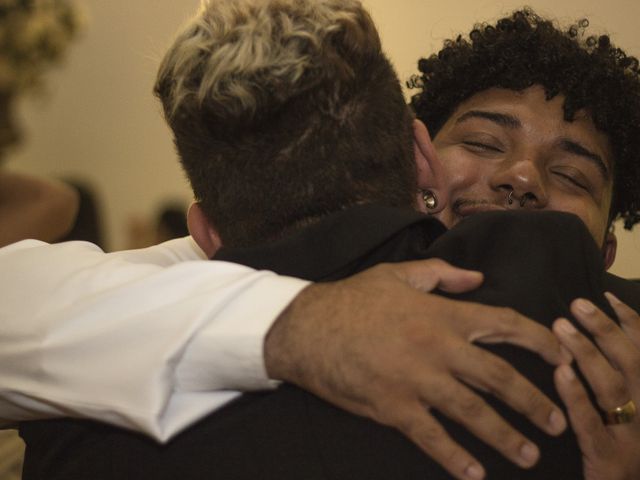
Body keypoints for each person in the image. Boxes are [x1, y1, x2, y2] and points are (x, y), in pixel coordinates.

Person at [1, 2, 639, 478]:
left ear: (605, 255)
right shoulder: (165, 291)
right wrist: (300, 322)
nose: (522, 179)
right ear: (420, 158)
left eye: (571, 175)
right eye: (482, 142)